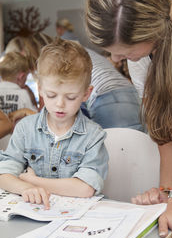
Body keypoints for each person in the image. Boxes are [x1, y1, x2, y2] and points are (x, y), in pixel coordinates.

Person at [85, 0, 172, 238]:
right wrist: (169, 193)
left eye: (123, 52)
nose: (115, 60)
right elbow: (168, 131)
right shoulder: (141, 58)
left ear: (151, 32)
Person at [0, 38, 108, 209]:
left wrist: (34, 181)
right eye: (51, 95)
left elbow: (85, 188)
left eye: (71, 97)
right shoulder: (25, 129)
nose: (60, 104)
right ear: (40, 89)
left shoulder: (93, 135)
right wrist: (25, 187)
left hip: (76, 219)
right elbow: (3, 174)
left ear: (86, 94)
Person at [85, 47, 144, 131]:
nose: (117, 61)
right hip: (130, 93)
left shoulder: (64, 52)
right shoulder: (82, 50)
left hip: (107, 96)